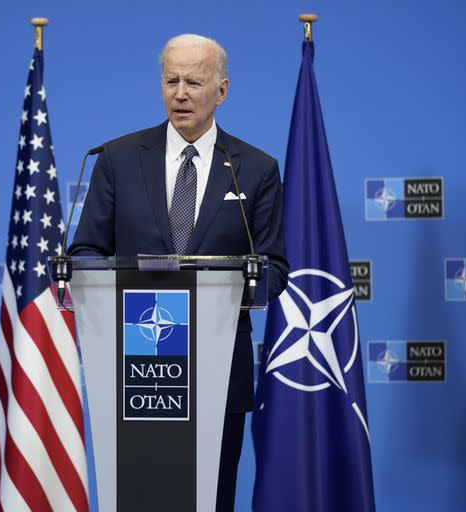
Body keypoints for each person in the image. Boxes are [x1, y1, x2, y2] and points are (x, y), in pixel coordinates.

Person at [69, 33, 288, 511]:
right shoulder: (118, 159)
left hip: (218, 368)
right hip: (135, 367)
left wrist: (238, 281)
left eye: (193, 81)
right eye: (171, 81)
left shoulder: (254, 169)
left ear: (222, 91)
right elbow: (85, 251)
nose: (181, 93)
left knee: (212, 498)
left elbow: (274, 268)